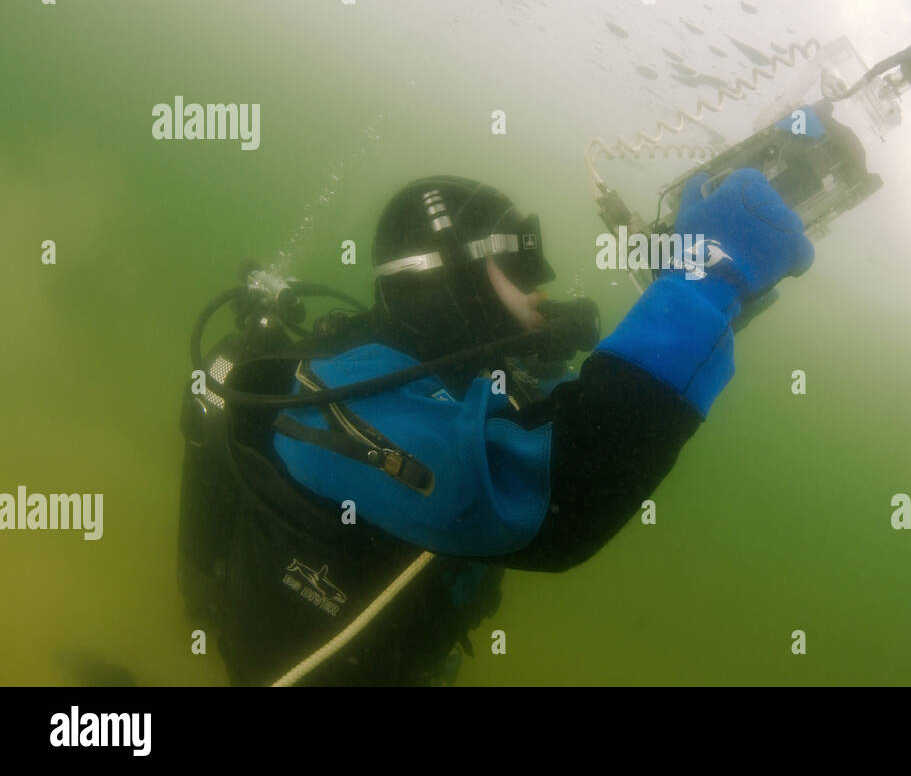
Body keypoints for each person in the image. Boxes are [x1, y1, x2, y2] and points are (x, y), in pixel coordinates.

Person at [178, 169, 813, 686]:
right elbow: (557, 497)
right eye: (521, 258)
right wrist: (704, 287)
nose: (544, 285)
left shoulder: (447, 396)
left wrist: (707, 311)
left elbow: (569, 417)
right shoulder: (336, 399)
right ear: (449, 271)